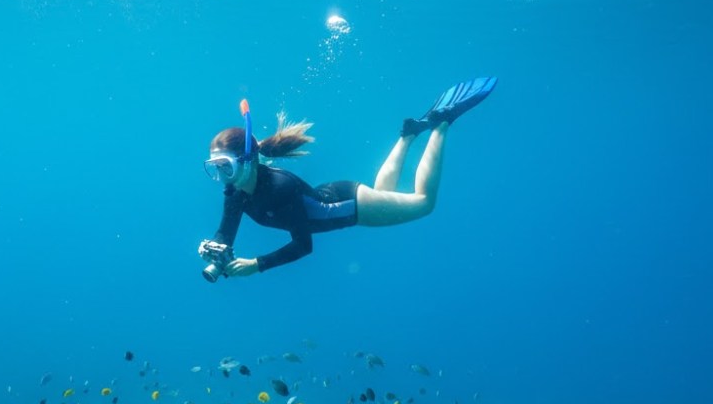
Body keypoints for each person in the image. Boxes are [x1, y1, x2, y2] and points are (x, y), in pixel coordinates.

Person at [198, 77, 497, 279]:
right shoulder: (235, 193)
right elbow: (225, 232)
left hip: (352, 205)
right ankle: (408, 135)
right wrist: (214, 247)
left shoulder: (278, 188)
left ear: (247, 160)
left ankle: (442, 123)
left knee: (424, 203)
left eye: (226, 166)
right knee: (385, 191)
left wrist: (256, 265)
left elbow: (303, 245)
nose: (223, 176)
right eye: (216, 168)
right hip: (335, 196)